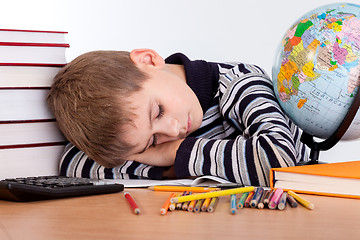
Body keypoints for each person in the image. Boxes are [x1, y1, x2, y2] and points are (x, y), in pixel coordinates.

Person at [47, 49, 308, 186]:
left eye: (158, 111)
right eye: (152, 142)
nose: (172, 132)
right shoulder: (140, 128)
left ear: (149, 60)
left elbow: (278, 160)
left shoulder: (241, 82)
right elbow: (72, 163)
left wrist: (177, 153)